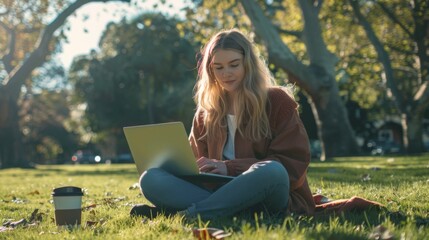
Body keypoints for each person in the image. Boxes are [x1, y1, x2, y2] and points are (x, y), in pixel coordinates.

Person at [130, 29, 315, 220]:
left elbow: (293, 165)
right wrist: (188, 167)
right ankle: (228, 212)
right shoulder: (206, 111)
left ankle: (191, 214)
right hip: (218, 193)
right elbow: (195, 167)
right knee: (150, 178)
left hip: (269, 193)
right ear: (210, 70)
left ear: (248, 64)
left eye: (233, 65)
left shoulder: (276, 101)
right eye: (218, 67)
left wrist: (230, 167)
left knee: (273, 170)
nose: (226, 73)